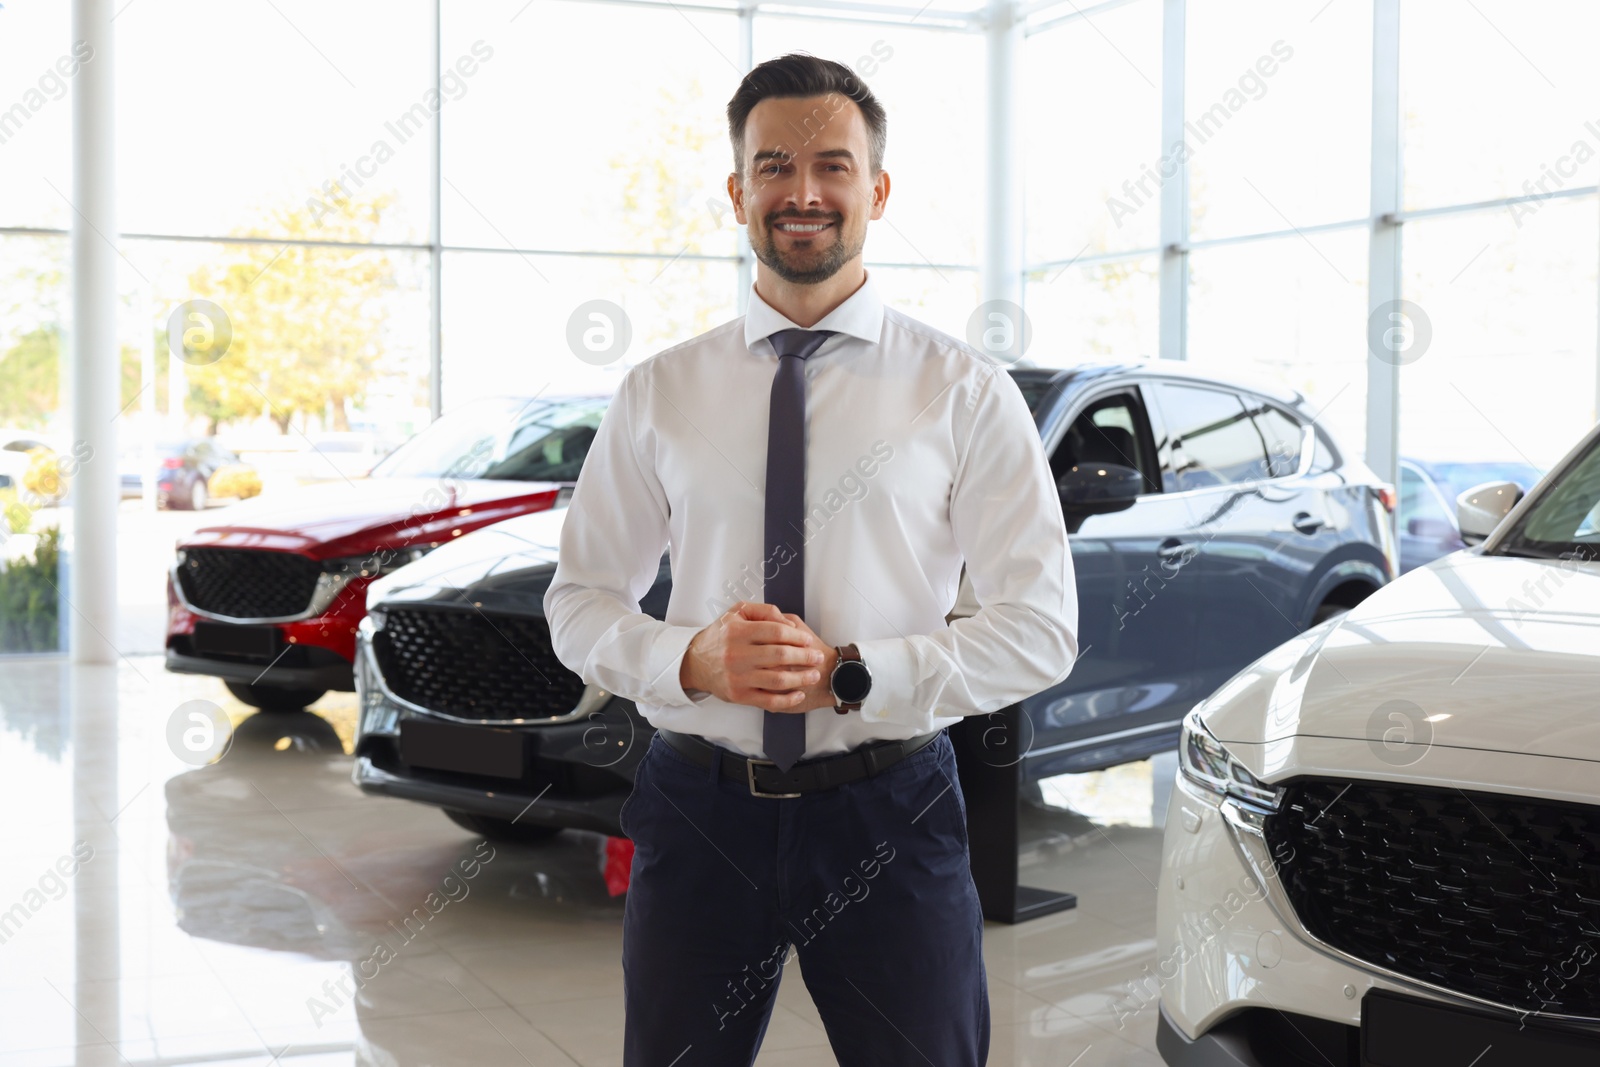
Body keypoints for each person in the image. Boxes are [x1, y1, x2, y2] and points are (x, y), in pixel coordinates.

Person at [544, 52, 1078, 1067]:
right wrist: (686, 661)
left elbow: (1040, 626)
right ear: (737, 190)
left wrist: (851, 672)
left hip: (889, 805)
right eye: (774, 165)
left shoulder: (963, 390)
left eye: (832, 165)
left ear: (875, 189)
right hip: (697, 809)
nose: (803, 191)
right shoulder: (660, 390)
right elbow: (580, 598)